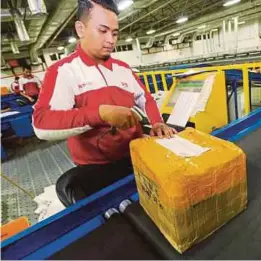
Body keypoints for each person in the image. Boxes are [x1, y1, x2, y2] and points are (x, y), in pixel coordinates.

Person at [32, 0, 177, 205]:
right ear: (80, 29)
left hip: (136, 156)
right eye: (103, 31)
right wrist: (100, 114)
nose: (110, 40)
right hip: (96, 169)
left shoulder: (123, 68)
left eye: (115, 33)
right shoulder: (64, 72)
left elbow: (146, 99)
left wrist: (157, 122)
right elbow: (42, 124)